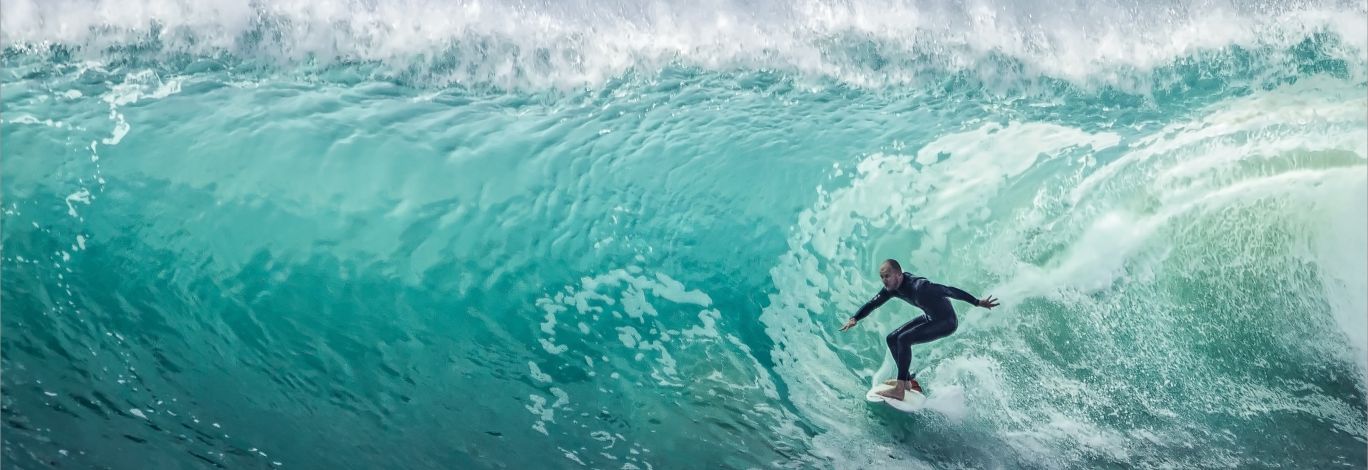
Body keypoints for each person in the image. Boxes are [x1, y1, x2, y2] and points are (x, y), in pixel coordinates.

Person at [840, 259, 999, 401]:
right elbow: (874, 302)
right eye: (882, 277)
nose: (884, 281)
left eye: (887, 276)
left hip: (946, 322)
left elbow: (949, 290)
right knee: (892, 338)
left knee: (903, 339)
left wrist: (977, 302)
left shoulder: (920, 286)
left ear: (898, 275)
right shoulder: (892, 288)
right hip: (931, 317)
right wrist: (855, 318)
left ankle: (900, 388)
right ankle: (907, 381)